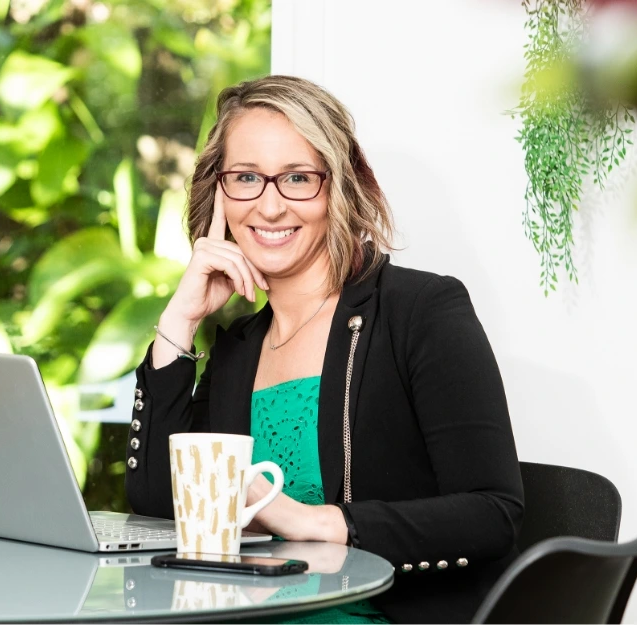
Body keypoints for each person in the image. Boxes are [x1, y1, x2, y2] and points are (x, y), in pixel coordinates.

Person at [124, 75, 524, 624]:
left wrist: (320, 522)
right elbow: (156, 504)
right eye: (246, 178)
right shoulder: (239, 348)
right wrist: (181, 319)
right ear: (218, 193)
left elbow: (492, 514)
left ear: (339, 187)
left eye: (297, 178)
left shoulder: (420, 310)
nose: (268, 207)